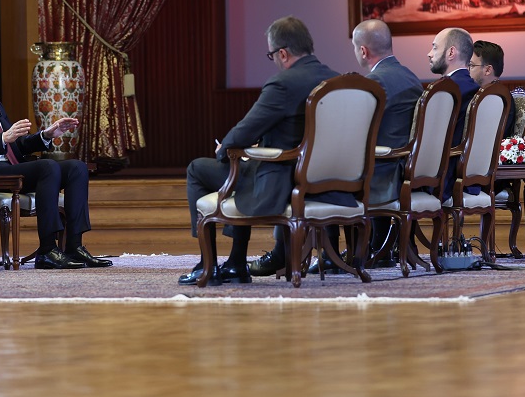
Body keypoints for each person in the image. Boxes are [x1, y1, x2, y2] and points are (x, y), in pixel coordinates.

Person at [180, 17, 338, 285]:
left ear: (283, 53)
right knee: (244, 168)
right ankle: (235, 263)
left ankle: (208, 263)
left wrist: (223, 149)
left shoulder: (283, 84)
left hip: (282, 181)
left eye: (271, 55)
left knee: (199, 168)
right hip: (326, 180)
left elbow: (244, 132)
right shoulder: (336, 80)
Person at [0, 43, 112, 270]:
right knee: (48, 167)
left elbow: (15, 146)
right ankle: (47, 250)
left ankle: (74, 246)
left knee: (76, 168)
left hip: (9, 168)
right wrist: (2, 138)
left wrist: (46, 135)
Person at [353, 19, 425, 266]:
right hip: (411, 166)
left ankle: (346, 252)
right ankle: (377, 244)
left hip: (385, 171)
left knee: (329, 174)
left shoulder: (375, 82)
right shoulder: (411, 77)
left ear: (363, 51)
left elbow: (357, 130)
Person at [428, 27, 478, 201]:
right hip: (472, 180)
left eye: (434, 47)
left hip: (441, 181)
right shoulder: (476, 89)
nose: (429, 54)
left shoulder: (444, 91)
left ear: (451, 52)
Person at [469, 39, 516, 138]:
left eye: (471, 65)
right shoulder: (481, 93)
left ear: (487, 70)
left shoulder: (496, 97)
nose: (467, 70)